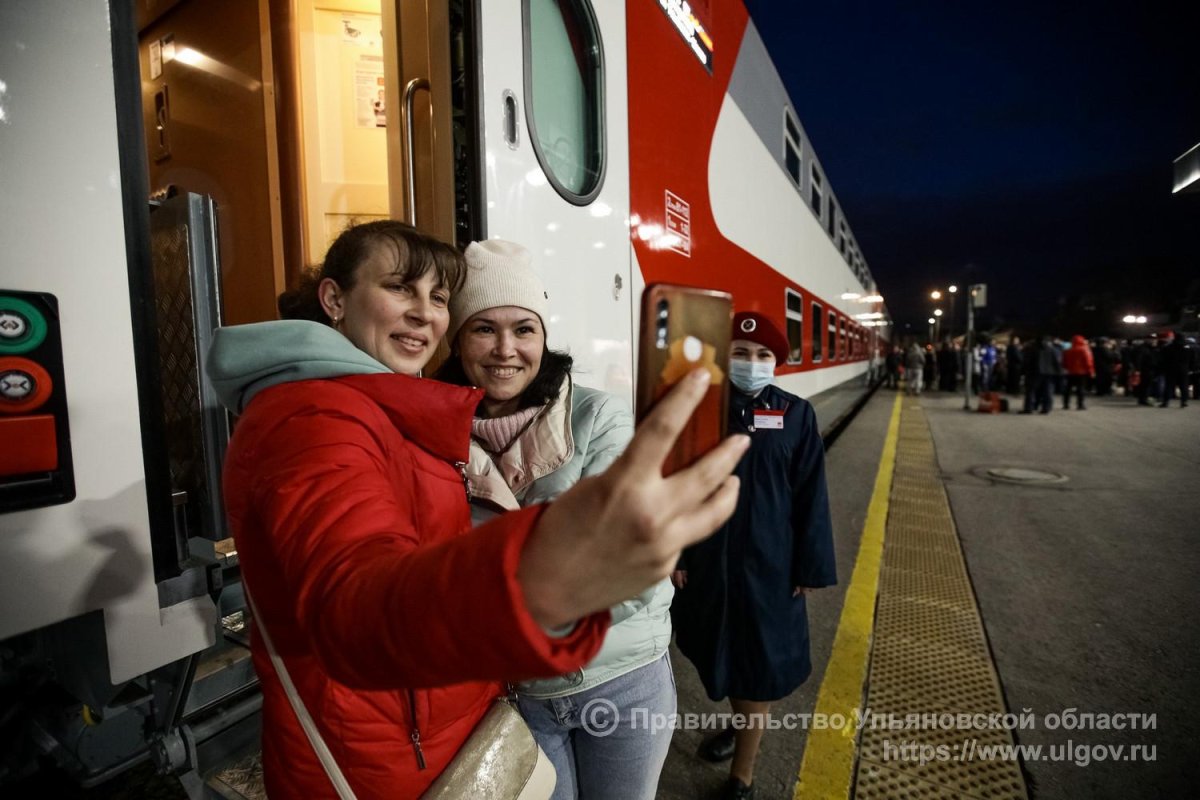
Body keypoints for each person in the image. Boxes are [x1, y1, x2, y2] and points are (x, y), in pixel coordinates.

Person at [204, 220, 749, 799]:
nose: (505, 349)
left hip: (600, 679)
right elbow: (354, 595)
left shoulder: (407, 412)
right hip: (455, 717)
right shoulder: (331, 418)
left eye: (436, 297)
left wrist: (553, 598)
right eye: (400, 289)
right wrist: (543, 584)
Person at [435, 240, 675, 800]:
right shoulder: (432, 431)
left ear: (544, 338)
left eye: (524, 329)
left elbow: (626, 566)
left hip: (621, 678)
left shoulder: (599, 417)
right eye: (482, 329)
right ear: (457, 341)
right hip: (516, 694)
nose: (505, 349)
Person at [671, 312, 836, 800]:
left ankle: (742, 776)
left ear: (776, 363)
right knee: (715, 651)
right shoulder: (699, 409)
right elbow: (677, 483)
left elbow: (812, 495)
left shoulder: (796, 414)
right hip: (708, 560)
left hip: (771, 565)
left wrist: (808, 565)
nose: (752, 363)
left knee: (758, 668)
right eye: (741, 354)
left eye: (763, 355)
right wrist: (677, 550)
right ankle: (739, 726)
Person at [1061, 334, 1094, 410]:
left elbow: (1064, 362)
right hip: (1082, 373)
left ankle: (1066, 404)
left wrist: (1067, 368)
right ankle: (1080, 404)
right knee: (1081, 389)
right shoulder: (1084, 349)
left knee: (1068, 389)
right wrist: (1091, 371)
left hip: (1070, 372)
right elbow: (1088, 362)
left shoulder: (1068, 350)